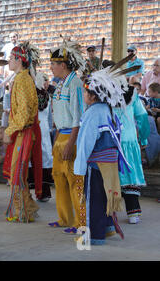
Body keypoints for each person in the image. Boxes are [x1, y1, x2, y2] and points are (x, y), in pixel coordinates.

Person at [74, 64, 130, 245]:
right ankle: (107, 229)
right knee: (106, 197)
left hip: (96, 164)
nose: (83, 96)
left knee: (94, 201)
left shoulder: (93, 113)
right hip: (110, 164)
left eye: (85, 93)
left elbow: (85, 143)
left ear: (93, 96)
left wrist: (79, 168)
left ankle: (94, 235)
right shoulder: (109, 110)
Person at [48, 39, 87, 234]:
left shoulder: (76, 83)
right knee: (58, 178)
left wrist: (71, 143)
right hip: (60, 136)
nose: (51, 68)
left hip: (72, 137)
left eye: (53, 64)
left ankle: (81, 222)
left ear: (63, 65)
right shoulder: (60, 83)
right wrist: (57, 139)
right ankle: (65, 218)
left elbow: (79, 117)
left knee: (74, 180)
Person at [2, 41, 42, 223]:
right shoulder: (20, 78)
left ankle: (23, 210)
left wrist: (10, 130)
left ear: (19, 60)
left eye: (10, 58)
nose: (8, 61)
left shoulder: (23, 80)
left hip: (23, 132)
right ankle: (26, 207)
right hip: (20, 131)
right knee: (17, 171)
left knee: (18, 171)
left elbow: (25, 113)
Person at [113, 82, 150, 224]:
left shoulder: (102, 91)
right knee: (130, 174)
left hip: (110, 140)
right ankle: (133, 213)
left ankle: (110, 213)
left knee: (110, 176)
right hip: (128, 139)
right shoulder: (132, 93)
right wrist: (143, 137)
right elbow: (142, 115)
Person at [28, 72, 54, 202]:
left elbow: (50, 117)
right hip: (41, 129)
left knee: (39, 157)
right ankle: (42, 191)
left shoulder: (34, 96)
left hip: (37, 129)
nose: (46, 84)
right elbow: (49, 118)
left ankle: (40, 191)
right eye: (44, 81)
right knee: (42, 158)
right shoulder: (46, 96)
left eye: (47, 81)